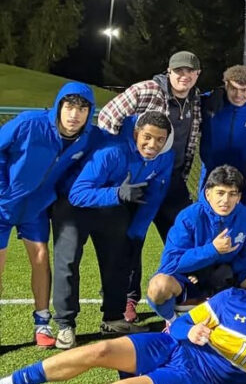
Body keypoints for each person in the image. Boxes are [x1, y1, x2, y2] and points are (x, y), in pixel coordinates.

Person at [0, 251, 246, 384]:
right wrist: (191, 329)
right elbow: (180, 326)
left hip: (199, 378)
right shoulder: (231, 297)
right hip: (170, 345)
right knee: (101, 350)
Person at [51, 112, 174, 348]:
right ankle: (66, 324)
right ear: (137, 133)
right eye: (147, 137)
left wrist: (137, 232)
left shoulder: (165, 157)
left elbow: (155, 195)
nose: (153, 145)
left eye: (160, 139)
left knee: (119, 257)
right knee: (68, 263)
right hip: (74, 205)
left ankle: (113, 318)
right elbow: (78, 193)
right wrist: (116, 193)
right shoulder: (112, 151)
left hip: (112, 204)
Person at [97, 51, 203, 321]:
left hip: (173, 179)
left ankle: (181, 292)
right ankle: (128, 300)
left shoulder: (195, 100)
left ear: (197, 75)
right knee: (133, 239)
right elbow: (106, 118)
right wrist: (125, 161)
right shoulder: (147, 90)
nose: (183, 76)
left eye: (189, 72)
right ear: (169, 71)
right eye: (178, 71)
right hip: (140, 179)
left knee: (183, 237)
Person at [0, 82, 101, 347]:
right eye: (69, 106)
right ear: (59, 105)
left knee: (41, 258)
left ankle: (42, 322)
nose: (74, 115)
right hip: (2, 205)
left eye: (82, 109)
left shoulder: (87, 137)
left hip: (36, 207)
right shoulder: (29, 123)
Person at [146, 165, 246, 325]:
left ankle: (240, 325)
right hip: (189, 282)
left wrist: (226, 272)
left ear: (239, 197)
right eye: (220, 193)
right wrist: (212, 250)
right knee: (158, 286)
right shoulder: (189, 216)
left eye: (232, 194)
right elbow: (170, 264)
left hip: (226, 281)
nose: (225, 200)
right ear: (208, 194)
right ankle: (174, 323)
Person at [199, 65, 246, 211]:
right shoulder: (209, 102)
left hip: (245, 176)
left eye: (244, 90)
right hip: (212, 173)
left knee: (241, 223)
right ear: (226, 85)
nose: (238, 95)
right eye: (233, 89)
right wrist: (212, 94)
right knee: (205, 219)